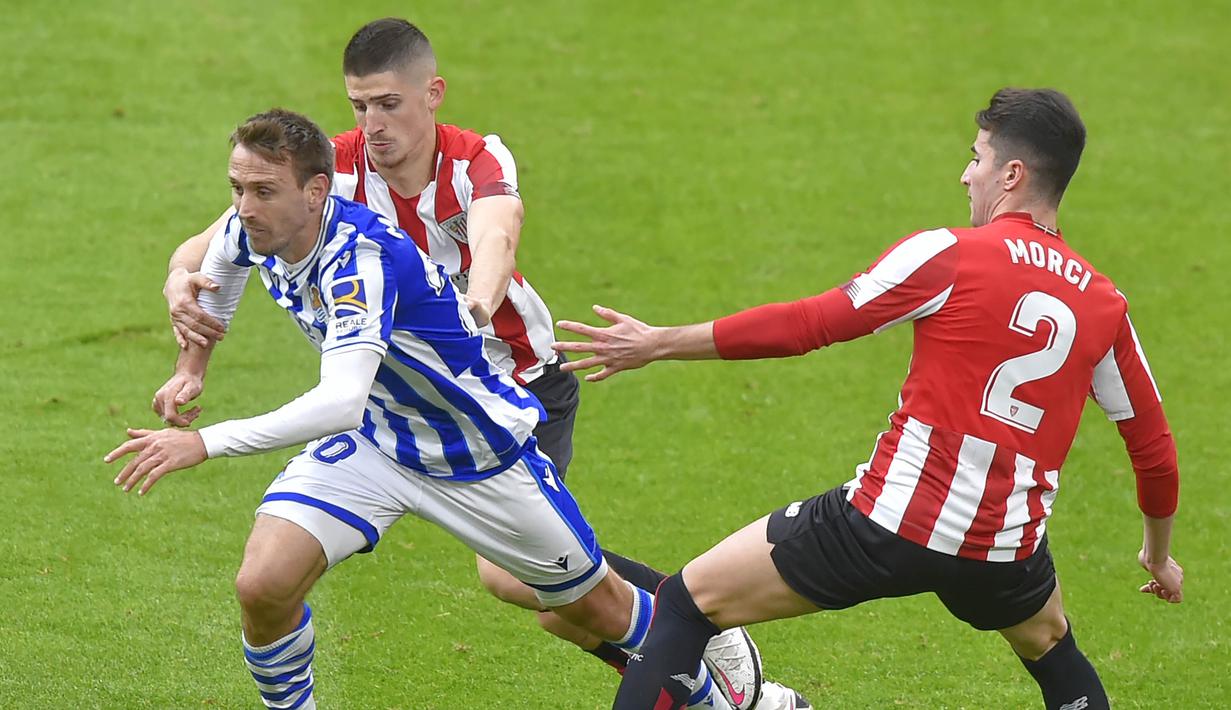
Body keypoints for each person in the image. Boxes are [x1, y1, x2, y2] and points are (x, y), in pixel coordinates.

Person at [155, 21, 800, 705]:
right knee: (265, 580)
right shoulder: (328, 171)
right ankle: (676, 652)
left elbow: (497, 234)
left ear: (431, 94)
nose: (373, 124)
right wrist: (177, 285)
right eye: (359, 106)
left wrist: (477, 305)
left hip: (506, 385)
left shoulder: (474, 162)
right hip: (389, 412)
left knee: (533, 590)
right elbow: (216, 244)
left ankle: (686, 626)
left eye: (388, 104)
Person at [552, 88, 1183, 710]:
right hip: (1003, 552)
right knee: (1053, 651)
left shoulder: (949, 255)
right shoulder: (1105, 304)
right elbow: (1153, 451)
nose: (967, 175)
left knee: (688, 605)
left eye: (977, 157)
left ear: (1012, 173)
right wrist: (1157, 557)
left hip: (886, 526)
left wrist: (660, 342)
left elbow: (807, 325)